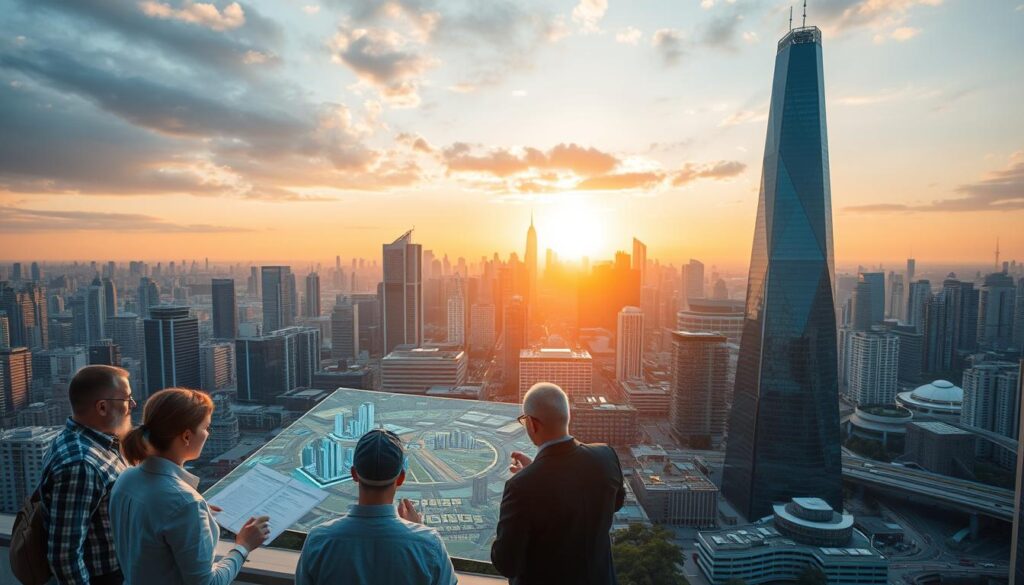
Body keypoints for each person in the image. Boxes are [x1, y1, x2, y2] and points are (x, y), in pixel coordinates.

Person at [109, 388, 270, 585]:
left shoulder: (127, 478)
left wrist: (198, 515)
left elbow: (150, 538)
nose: (208, 434)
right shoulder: (184, 503)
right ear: (186, 436)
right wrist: (243, 546)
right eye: (206, 427)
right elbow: (207, 583)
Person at [491, 382, 626, 585]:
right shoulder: (605, 456)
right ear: (566, 416)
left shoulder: (521, 487)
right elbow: (615, 504)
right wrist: (534, 471)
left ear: (532, 424)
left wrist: (530, 475)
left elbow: (506, 563)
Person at [295, 429, 457, 585]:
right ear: (400, 478)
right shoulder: (429, 544)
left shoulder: (319, 541)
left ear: (354, 474)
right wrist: (418, 530)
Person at [37, 365, 134, 585]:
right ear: (102, 407)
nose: (132, 406)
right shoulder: (81, 465)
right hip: (103, 578)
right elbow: (65, 556)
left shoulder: (89, 442)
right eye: (127, 399)